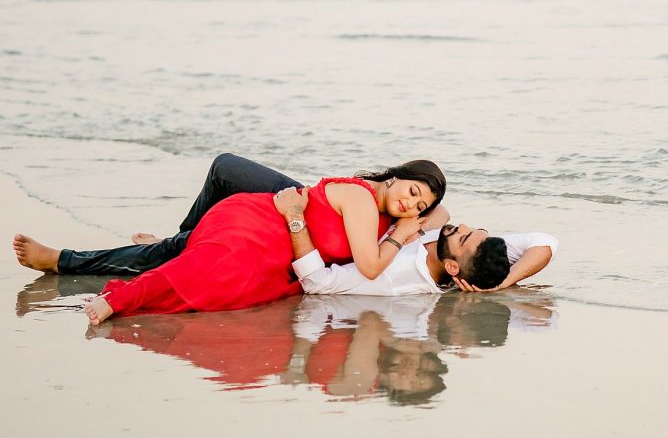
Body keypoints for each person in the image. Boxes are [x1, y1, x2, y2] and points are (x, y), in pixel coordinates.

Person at [12, 153, 446, 325]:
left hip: (291, 228)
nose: (412, 206)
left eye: (420, 204)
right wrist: (406, 231)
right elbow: (371, 264)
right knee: (215, 185)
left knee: (177, 249)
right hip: (274, 220)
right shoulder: (368, 203)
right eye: (412, 192)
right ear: (398, 175)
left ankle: (179, 239)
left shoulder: (390, 210)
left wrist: (421, 218)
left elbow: (442, 213)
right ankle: (65, 260)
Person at [273, 184, 557, 297]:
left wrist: (294, 216)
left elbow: (318, 283)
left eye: (465, 235)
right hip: (347, 210)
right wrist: (503, 284)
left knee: (226, 169)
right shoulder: (465, 254)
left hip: (312, 222)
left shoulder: (399, 277)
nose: (462, 226)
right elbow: (545, 242)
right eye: (473, 229)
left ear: (453, 268)